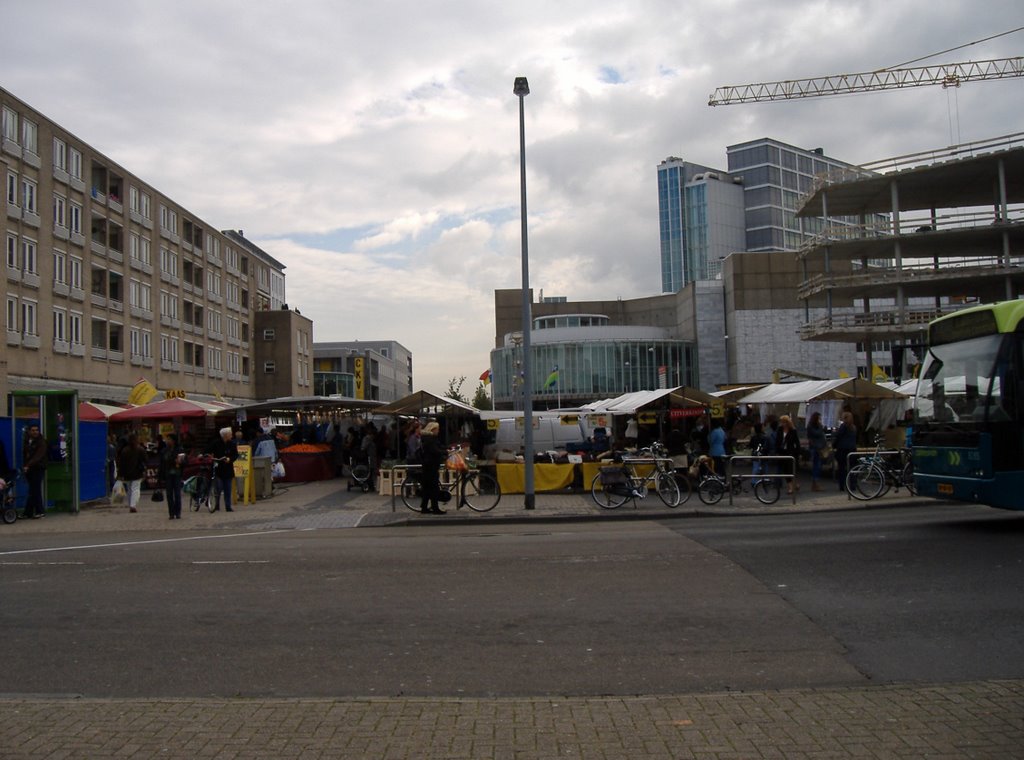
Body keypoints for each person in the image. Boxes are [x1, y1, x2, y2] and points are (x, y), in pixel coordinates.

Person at [207, 427, 238, 512]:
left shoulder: (232, 444)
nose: (231, 435)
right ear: (225, 435)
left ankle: (228, 506)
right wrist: (210, 456)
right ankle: (216, 505)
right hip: (218, 468)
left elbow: (235, 455)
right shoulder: (216, 443)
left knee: (228, 488)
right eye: (230, 434)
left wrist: (230, 459)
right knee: (218, 487)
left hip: (228, 468)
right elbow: (208, 451)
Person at [418, 421, 446, 514]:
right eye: (437, 429)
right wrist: (444, 452)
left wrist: (446, 449)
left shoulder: (428, 438)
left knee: (427, 488)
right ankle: (435, 508)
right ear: (433, 429)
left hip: (428, 466)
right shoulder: (430, 439)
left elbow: (439, 447)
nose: (438, 431)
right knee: (434, 487)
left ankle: (424, 507)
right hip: (430, 466)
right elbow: (435, 450)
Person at [21, 424, 48, 519]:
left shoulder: (41, 442)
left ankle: (40, 511)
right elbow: (26, 455)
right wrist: (26, 466)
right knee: (32, 490)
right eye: (33, 430)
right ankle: (28, 512)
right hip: (29, 468)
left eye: (36, 430)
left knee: (35, 490)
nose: (35, 432)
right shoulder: (27, 441)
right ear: (29, 432)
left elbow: (38, 456)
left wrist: (28, 465)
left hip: (38, 468)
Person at [116, 433, 147, 513]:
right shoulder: (140, 449)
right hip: (137, 472)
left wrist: (120, 474)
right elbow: (145, 460)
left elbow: (121, 463)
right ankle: (133, 505)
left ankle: (130, 504)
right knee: (135, 489)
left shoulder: (125, 450)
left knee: (129, 489)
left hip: (126, 473)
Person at [159, 432, 186, 519]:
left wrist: (180, 462)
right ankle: (171, 512)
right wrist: (160, 476)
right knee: (169, 494)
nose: (167, 441)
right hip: (168, 475)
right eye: (167, 439)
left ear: (173, 441)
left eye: (169, 439)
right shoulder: (164, 451)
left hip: (177, 474)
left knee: (177, 494)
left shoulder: (180, 450)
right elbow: (161, 463)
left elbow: (186, 462)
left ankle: (177, 512)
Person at [777, 415, 802, 494]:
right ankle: (790, 487)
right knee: (785, 470)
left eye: (784, 422)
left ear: (788, 423)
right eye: (782, 422)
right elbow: (777, 441)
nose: (783, 424)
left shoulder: (793, 430)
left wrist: (798, 452)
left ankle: (795, 483)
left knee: (791, 469)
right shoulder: (780, 430)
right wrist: (777, 451)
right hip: (782, 452)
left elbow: (797, 442)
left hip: (791, 452)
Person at [834, 411, 858, 492]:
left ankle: (842, 485)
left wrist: (834, 445)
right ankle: (853, 485)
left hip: (843, 450)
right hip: (852, 450)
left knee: (842, 469)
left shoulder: (843, 426)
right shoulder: (853, 427)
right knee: (852, 468)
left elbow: (838, 436)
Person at [806, 412, 827, 491]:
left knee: (818, 465)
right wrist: (821, 428)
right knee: (817, 465)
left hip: (820, 447)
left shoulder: (818, 426)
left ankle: (815, 484)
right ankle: (815, 483)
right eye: (819, 418)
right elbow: (817, 433)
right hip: (815, 448)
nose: (820, 420)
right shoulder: (811, 426)